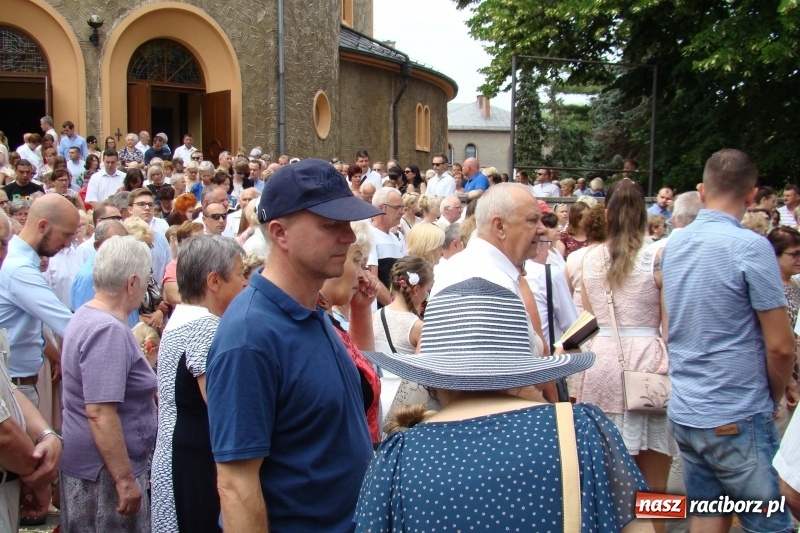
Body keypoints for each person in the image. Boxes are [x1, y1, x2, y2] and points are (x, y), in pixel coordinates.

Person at [355, 277, 650, 532]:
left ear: (430, 375)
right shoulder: (581, 431)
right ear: (520, 369)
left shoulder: (398, 457)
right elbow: (642, 518)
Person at [205, 159, 383, 531]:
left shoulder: (311, 310)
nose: (348, 237)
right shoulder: (250, 336)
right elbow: (237, 486)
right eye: (330, 225)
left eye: (348, 223)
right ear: (280, 233)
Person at [662, 149, 795, 533]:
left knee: (708, 514)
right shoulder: (750, 246)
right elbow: (781, 345)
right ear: (752, 195)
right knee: (769, 525)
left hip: (688, 408)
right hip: (735, 410)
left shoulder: (675, 246)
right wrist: (773, 394)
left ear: (702, 191)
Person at [577, 180, 675, 506]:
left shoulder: (589, 259)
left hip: (601, 360)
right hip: (647, 363)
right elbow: (669, 326)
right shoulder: (658, 255)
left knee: (609, 480)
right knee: (656, 487)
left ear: (607, 214)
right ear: (643, 215)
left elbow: (590, 318)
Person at [59, 235, 157, 532]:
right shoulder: (107, 329)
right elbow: (100, 412)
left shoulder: (89, 315)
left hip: (97, 468)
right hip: (104, 475)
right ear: (131, 283)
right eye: (146, 279)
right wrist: (124, 480)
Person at [151, 235, 246, 533]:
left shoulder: (186, 317)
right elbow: (222, 407)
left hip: (181, 452)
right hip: (192, 463)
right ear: (214, 281)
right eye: (240, 274)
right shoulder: (205, 327)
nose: (245, 283)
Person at [0, 194, 78, 407]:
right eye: (65, 235)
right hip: (14, 385)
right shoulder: (19, 269)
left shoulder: (20, 263)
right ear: (43, 226)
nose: (67, 244)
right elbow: (68, 324)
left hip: (18, 381)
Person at [318, 220, 382, 445]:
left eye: (364, 265)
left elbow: (361, 367)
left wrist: (361, 309)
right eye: (356, 261)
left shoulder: (326, 317)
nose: (363, 276)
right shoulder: (312, 321)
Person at [372, 256, 433, 417]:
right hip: (404, 406)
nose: (427, 295)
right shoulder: (418, 326)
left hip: (378, 398)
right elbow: (419, 375)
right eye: (427, 290)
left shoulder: (373, 317)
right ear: (416, 289)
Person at [369, 187, 407, 307]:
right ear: (381, 208)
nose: (402, 212)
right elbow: (372, 279)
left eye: (403, 207)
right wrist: (396, 308)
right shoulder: (368, 235)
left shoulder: (397, 238)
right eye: (397, 207)